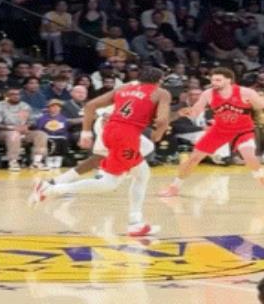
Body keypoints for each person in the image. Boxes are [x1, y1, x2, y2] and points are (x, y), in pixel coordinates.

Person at [29, 67, 171, 237]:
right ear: (159, 80)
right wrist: (158, 134)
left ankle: (135, 222)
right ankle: (49, 190)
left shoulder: (124, 88)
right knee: (109, 183)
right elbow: (162, 120)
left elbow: (90, 105)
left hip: (109, 130)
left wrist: (86, 133)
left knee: (142, 174)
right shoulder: (161, 93)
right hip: (126, 135)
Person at [159, 67, 264, 197]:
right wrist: (187, 112)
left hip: (243, 130)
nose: (214, 83)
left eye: (218, 80)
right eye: (213, 80)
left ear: (229, 80)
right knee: (193, 159)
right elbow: (196, 111)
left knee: (249, 156)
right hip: (219, 130)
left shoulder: (245, 92)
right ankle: (174, 186)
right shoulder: (208, 94)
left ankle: (261, 176)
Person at [0, 87, 49, 171]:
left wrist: (27, 126)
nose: (16, 96)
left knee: (41, 135)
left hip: (23, 131)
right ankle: (13, 161)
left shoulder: (25, 106)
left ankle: (37, 162)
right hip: (2, 132)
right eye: (13, 94)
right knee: (14, 134)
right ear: (6, 96)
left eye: (18, 94)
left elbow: (32, 121)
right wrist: (12, 128)